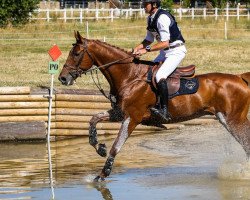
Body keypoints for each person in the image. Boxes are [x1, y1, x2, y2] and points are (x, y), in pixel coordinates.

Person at [133, 0, 186, 121]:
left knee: (160, 75)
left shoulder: (162, 17)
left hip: (175, 51)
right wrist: (136, 49)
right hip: (165, 52)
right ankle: (153, 103)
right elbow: (148, 40)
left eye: (145, 4)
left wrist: (146, 51)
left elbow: (165, 43)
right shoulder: (151, 18)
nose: (143, 6)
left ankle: (164, 111)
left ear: (154, 5)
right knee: (149, 72)